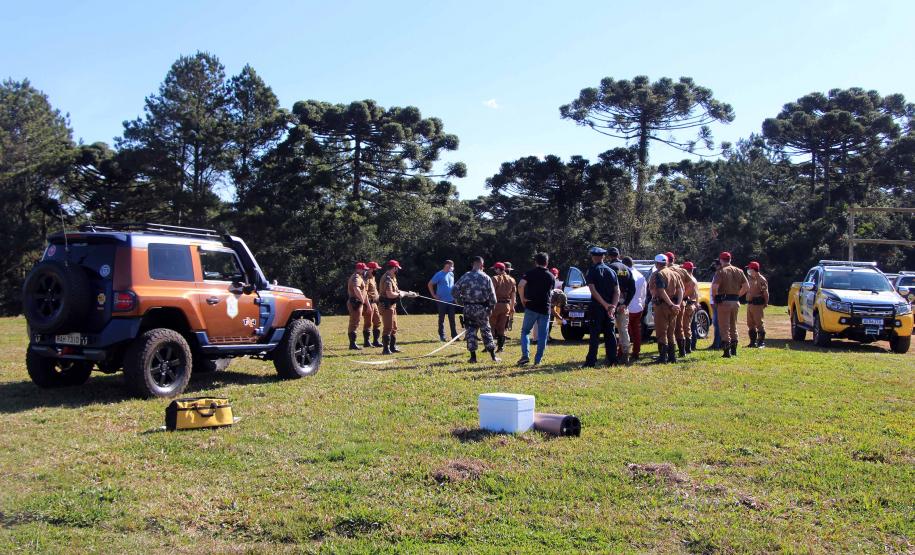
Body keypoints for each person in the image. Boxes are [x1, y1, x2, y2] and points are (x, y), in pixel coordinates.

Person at [453, 257, 500, 363]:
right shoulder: (486, 277)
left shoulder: (465, 276)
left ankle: (473, 357)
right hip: (482, 308)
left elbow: (454, 291)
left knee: (470, 332)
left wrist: (461, 302)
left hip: (468, 308)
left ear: (473, 264)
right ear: (481, 264)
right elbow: (493, 298)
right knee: (486, 331)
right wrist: (490, 309)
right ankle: (493, 356)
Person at [583, 247, 620, 367]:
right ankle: (612, 360)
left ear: (593, 257)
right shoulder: (611, 271)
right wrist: (612, 306)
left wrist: (605, 305)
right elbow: (617, 291)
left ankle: (591, 361)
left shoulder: (592, 270)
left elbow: (592, 290)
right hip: (609, 308)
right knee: (610, 334)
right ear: (603, 257)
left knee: (595, 335)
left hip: (597, 307)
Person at [517, 252, 556, 366]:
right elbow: (551, 292)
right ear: (547, 262)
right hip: (545, 308)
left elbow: (520, 285)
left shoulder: (530, 273)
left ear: (536, 262)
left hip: (531, 307)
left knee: (525, 331)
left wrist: (523, 298)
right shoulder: (551, 276)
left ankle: (525, 355)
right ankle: (538, 360)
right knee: (543, 335)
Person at [709, 251, 749, 358]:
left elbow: (715, 287)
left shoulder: (721, 272)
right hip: (735, 301)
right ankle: (734, 350)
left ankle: (727, 352)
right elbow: (746, 287)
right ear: (730, 260)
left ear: (721, 260)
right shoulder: (739, 271)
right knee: (733, 326)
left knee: (724, 327)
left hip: (724, 302)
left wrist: (716, 298)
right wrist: (737, 295)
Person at [648, 253, 684, 363]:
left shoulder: (658, 274)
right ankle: (672, 357)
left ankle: (663, 357)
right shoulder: (674, 274)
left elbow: (660, 290)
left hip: (662, 305)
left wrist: (670, 304)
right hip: (673, 306)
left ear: (657, 263)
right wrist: (677, 304)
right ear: (666, 262)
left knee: (661, 331)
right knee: (670, 332)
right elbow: (680, 290)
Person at [379, 260, 418, 355]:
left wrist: (408, 293)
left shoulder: (392, 277)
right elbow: (389, 294)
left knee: (394, 327)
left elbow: (396, 291)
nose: (398, 270)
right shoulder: (387, 279)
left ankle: (392, 347)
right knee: (388, 327)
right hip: (387, 306)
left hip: (392, 305)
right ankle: (385, 349)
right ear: (394, 268)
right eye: (397, 268)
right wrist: (400, 294)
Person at [607, 247, 635, 364]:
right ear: (619, 255)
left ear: (609, 256)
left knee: (609, 329)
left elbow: (607, 287)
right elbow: (633, 289)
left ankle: (611, 355)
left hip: (611, 302)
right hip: (623, 303)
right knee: (623, 330)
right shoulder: (627, 269)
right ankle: (625, 355)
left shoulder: (609, 268)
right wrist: (626, 303)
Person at [622, 257, 646, 362]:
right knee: (636, 331)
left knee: (624, 331)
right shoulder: (641, 276)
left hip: (628, 306)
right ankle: (636, 351)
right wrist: (643, 304)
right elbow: (644, 293)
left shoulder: (626, 275)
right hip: (638, 306)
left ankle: (622, 352)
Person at [489, 262, 516, 352]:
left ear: (497, 269)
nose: (494, 271)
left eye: (495, 269)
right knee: (502, 327)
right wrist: (512, 307)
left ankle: (490, 346)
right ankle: (500, 347)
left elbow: (490, 293)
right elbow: (513, 296)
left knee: (491, 326)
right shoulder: (511, 280)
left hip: (495, 305)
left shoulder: (494, 279)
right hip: (506, 306)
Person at [427, 260, 457, 342]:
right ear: (446, 265)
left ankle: (454, 336)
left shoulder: (451, 274)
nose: (452, 267)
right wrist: (434, 295)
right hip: (441, 301)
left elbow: (452, 286)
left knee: (452, 318)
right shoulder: (439, 274)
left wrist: (455, 297)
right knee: (441, 319)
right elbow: (430, 284)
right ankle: (442, 336)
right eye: (451, 266)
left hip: (451, 300)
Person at [676, 260, 699, 357]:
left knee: (685, 327)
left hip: (688, 304)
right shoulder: (693, 278)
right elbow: (697, 294)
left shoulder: (689, 280)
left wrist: (682, 297)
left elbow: (688, 291)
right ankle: (689, 346)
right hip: (692, 304)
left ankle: (687, 348)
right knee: (688, 326)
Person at [745, 261, 769, 348]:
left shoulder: (761, 280)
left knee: (759, 323)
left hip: (757, 304)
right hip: (750, 304)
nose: (748, 270)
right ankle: (752, 342)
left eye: (749, 269)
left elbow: (765, 293)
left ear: (754, 269)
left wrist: (765, 303)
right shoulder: (750, 278)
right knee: (750, 323)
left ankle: (761, 342)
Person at [346, 262, 368, 350]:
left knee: (356, 321)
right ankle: (352, 344)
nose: (364, 271)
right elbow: (356, 288)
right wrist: (362, 299)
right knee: (354, 322)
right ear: (359, 269)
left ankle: (353, 343)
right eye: (363, 269)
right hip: (355, 302)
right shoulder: (356, 277)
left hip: (356, 302)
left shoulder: (358, 277)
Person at [362, 261, 383, 347]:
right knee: (368, 323)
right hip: (368, 303)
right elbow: (365, 293)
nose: (376, 270)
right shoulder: (366, 278)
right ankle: (366, 342)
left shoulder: (373, 277)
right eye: (375, 269)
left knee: (377, 321)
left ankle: (376, 341)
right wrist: (367, 305)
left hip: (374, 303)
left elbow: (375, 290)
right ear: (370, 269)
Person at [707, 260, 722, 350]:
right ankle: (716, 343)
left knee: (718, 324)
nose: (714, 266)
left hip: (717, 302)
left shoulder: (720, 274)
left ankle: (717, 344)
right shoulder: (716, 274)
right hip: (714, 302)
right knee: (716, 323)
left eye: (715, 265)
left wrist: (715, 301)